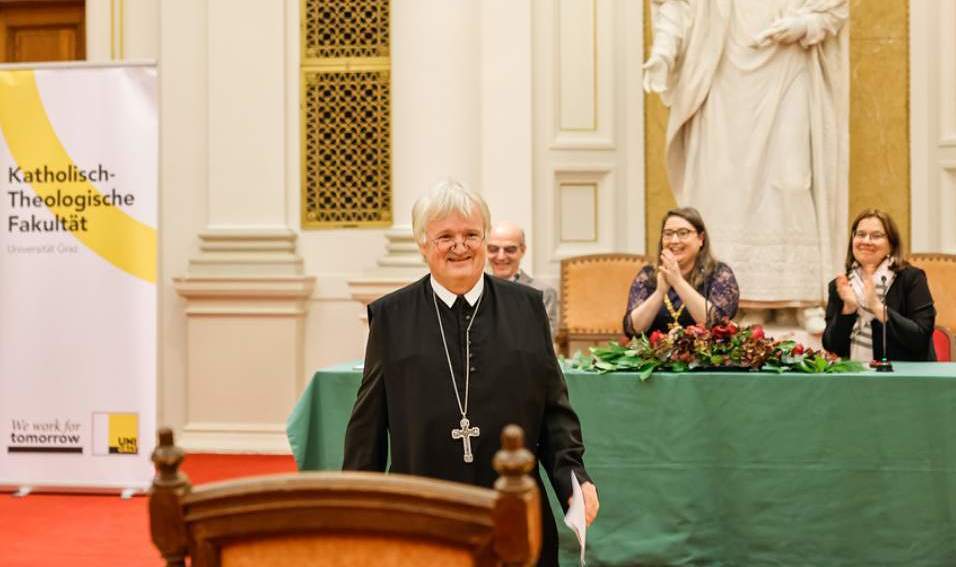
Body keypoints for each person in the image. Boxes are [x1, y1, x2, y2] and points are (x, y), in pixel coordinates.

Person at [343, 178, 599, 566]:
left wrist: (573, 476)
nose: (460, 246)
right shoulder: (392, 317)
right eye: (445, 236)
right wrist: (360, 504)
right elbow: (369, 425)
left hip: (513, 508)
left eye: (471, 234)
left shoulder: (526, 308)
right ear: (422, 244)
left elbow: (554, 411)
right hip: (424, 509)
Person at [644, 0, 849, 330]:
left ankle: (801, 295)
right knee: (729, 187)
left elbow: (833, 9)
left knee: (792, 180)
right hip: (726, 73)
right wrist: (664, 52)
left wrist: (803, 25)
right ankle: (744, 297)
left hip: (787, 64)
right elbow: (679, 6)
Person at [822, 209, 936, 362]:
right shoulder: (842, 285)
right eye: (861, 234)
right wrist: (848, 311)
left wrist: (877, 308)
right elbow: (832, 346)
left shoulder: (911, 278)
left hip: (906, 378)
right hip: (856, 378)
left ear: (891, 244)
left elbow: (920, 338)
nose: (866, 241)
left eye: (876, 236)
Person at [624, 207, 739, 338]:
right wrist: (660, 293)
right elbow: (632, 329)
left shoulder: (719, 274)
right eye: (668, 233)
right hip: (654, 356)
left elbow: (717, 325)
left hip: (703, 357)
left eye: (683, 233)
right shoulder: (648, 275)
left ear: (701, 239)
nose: (674, 240)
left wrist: (677, 282)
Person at [487, 221, 558, 337]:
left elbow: (543, 341)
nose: (500, 257)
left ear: (523, 250)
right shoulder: (473, 290)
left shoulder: (543, 293)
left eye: (510, 249)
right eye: (493, 249)